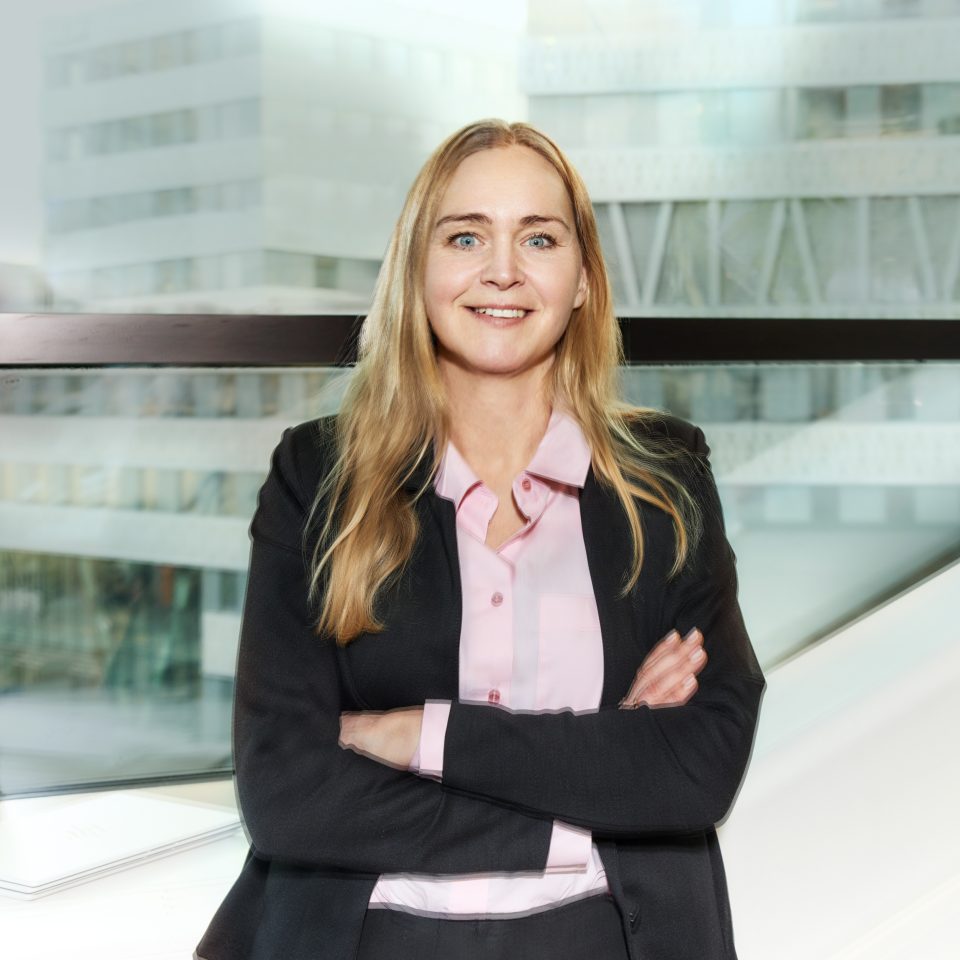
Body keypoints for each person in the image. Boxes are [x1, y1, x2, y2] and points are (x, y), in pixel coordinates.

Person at [195, 119, 765, 960]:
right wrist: (591, 788)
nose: (503, 270)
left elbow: (696, 769)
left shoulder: (666, 478)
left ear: (581, 279)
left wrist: (424, 737)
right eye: (466, 236)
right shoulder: (316, 476)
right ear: (418, 268)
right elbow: (289, 794)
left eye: (539, 238)